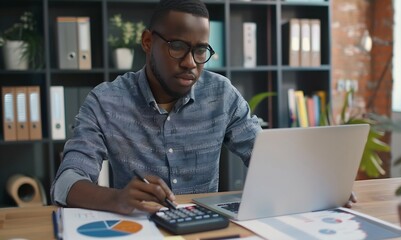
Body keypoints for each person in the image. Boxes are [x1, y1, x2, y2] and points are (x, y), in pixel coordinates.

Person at [50, 0, 262, 215]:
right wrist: (117, 198)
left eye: (200, 50)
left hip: (202, 230)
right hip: (140, 229)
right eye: (177, 47)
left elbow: (265, 156)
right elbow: (66, 182)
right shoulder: (106, 101)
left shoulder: (221, 95)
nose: (190, 62)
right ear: (148, 42)